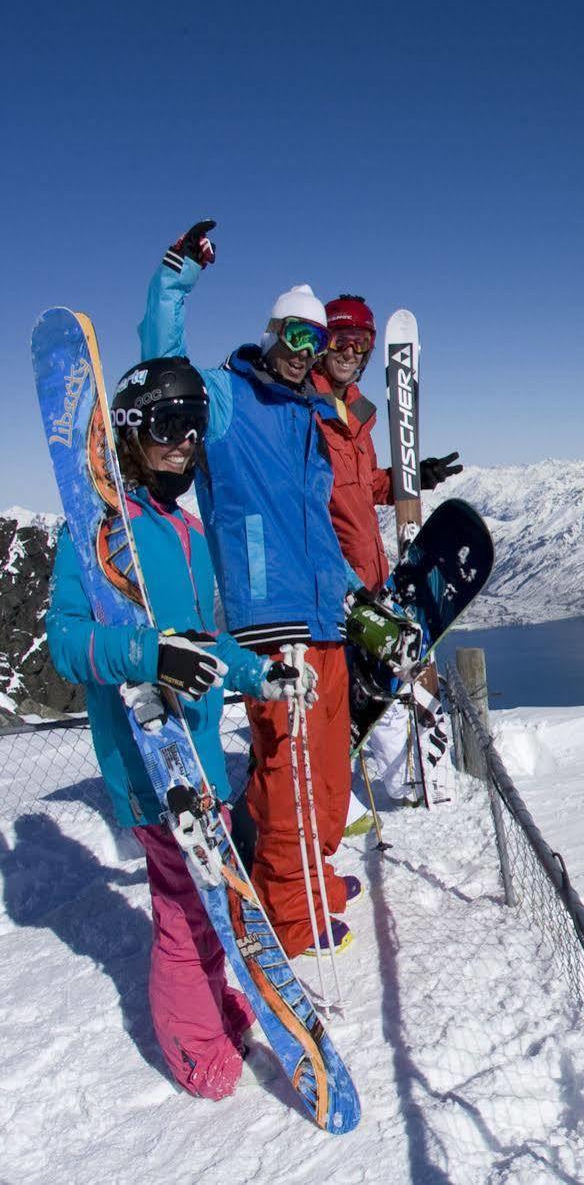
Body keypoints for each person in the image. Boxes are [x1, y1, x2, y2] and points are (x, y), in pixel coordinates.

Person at [45, 355, 313, 1101]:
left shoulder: (184, 530)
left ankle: (217, 1005)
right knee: (183, 902)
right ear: (131, 429)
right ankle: (194, 1047)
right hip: (147, 758)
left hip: (195, 753)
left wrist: (261, 673)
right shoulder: (98, 532)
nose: (182, 442)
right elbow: (67, 640)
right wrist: (145, 651)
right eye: (166, 424)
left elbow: (200, 640)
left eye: (193, 428)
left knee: (210, 898)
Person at [139, 221, 363, 958]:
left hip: (324, 617)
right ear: (271, 335)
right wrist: (176, 279)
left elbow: (320, 527)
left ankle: (314, 880)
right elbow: (162, 363)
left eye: (315, 340)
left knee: (329, 771)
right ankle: (286, 915)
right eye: (294, 338)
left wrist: (351, 596)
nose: (304, 354)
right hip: (269, 621)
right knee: (289, 776)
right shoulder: (228, 400)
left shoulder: (307, 418)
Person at [309, 294, 461, 590]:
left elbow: (367, 486)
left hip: (369, 579)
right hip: (332, 583)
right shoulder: (305, 412)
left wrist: (412, 477)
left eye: (360, 343)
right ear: (322, 345)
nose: (349, 352)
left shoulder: (356, 416)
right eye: (340, 341)